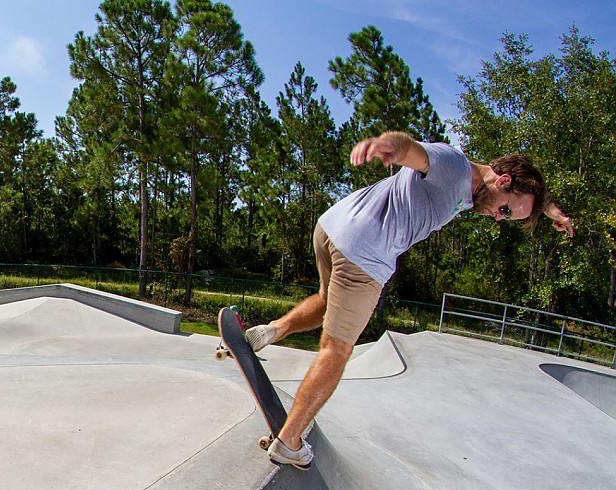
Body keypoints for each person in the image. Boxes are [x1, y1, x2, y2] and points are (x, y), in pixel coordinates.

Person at [242, 130, 574, 469]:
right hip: (365, 253)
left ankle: (271, 331)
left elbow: (532, 194)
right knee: (337, 350)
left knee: (328, 298)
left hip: (333, 227)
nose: (498, 218)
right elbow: (412, 150)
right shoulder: (455, 167)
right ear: (502, 180)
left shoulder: (480, 186)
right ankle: (290, 441)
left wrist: (554, 213)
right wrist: (389, 146)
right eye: (505, 211)